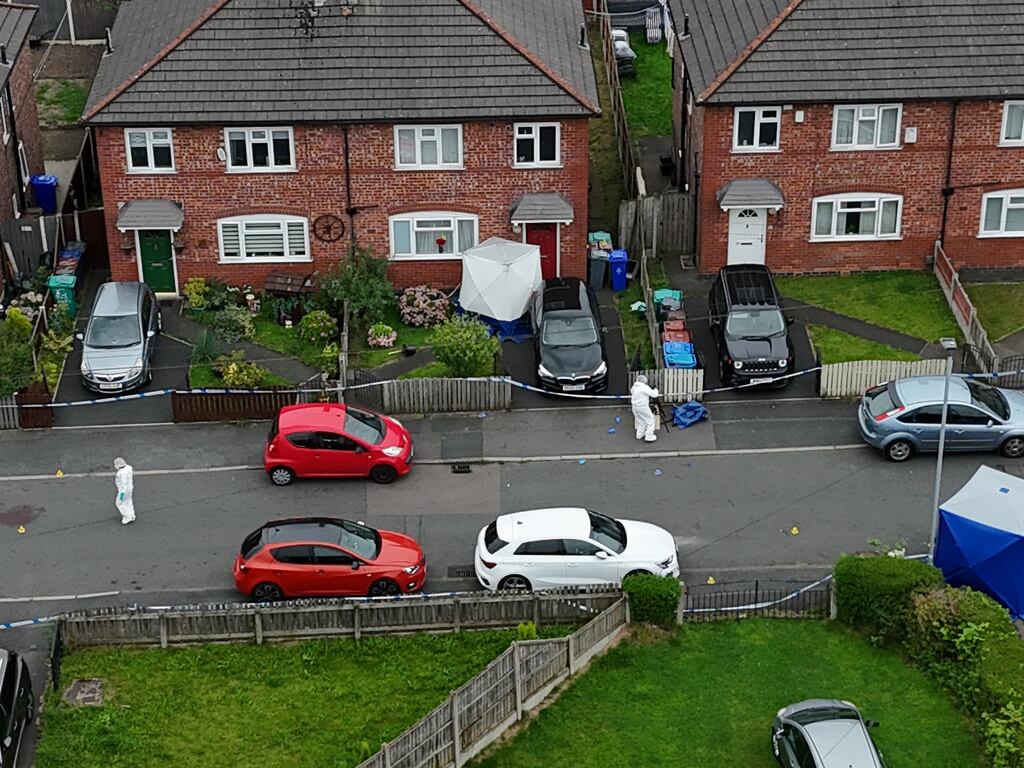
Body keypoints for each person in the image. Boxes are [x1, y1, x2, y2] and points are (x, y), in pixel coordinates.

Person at [630, 374, 661, 442]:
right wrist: (656, 389)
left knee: (641, 421)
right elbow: (654, 394)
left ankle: (639, 434)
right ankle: (649, 436)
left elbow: (632, 392)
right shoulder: (644, 387)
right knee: (650, 420)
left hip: (634, 407)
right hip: (642, 407)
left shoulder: (634, 387)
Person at [114, 457, 135, 525]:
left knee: (119, 503)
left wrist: (122, 493)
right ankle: (132, 515)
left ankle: (127, 516)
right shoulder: (129, 467)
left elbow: (123, 483)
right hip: (130, 488)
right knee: (128, 501)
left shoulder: (121, 473)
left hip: (124, 490)